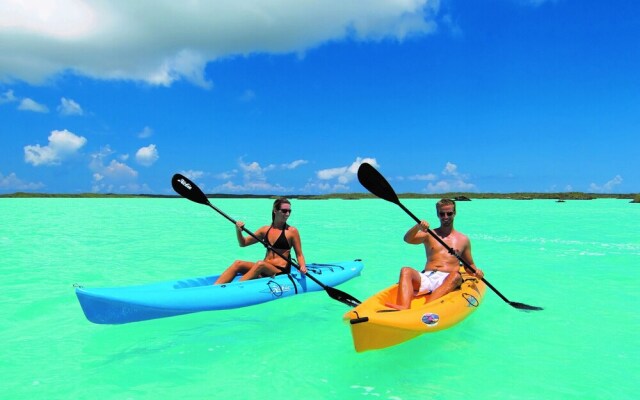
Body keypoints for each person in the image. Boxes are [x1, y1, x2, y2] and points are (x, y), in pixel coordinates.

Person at [385, 198, 484, 310]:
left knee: (456, 276)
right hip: (428, 276)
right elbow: (407, 239)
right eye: (442, 214)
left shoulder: (463, 239)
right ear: (438, 214)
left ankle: (426, 308)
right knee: (405, 270)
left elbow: (469, 265)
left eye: (449, 213)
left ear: (454, 213)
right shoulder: (429, 234)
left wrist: (476, 272)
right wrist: (417, 226)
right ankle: (403, 307)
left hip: (448, 279)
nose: (446, 217)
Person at [214, 197, 307, 285]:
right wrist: (238, 231)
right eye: (284, 211)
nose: (287, 214)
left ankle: (235, 288)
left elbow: (299, 254)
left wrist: (302, 266)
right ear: (275, 211)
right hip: (264, 267)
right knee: (238, 263)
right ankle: (214, 288)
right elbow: (243, 243)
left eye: (289, 211)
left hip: (279, 271)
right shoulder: (265, 230)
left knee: (260, 264)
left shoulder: (291, 231)